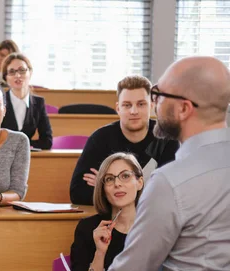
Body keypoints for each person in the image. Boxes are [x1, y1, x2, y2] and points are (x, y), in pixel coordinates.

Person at [74, 56, 230, 271]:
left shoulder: (171, 181)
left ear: (185, 108)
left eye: (158, 95)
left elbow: (134, 269)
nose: (154, 103)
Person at [69, 75, 178, 205]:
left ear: (151, 105)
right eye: (127, 105)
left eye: (141, 104)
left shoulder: (167, 138)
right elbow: (78, 193)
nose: (134, 111)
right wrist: (143, 189)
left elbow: (170, 192)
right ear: (118, 108)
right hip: (112, 220)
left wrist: (106, 186)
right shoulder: (100, 139)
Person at [71, 152, 151, 271]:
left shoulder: (158, 226)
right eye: (109, 179)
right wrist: (100, 253)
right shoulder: (88, 228)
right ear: (103, 189)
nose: (117, 184)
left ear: (139, 182)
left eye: (125, 176)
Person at [0, 53, 53, 149]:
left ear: (30, 73)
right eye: (12, 72)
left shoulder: (38, 103)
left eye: (22, 70)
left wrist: (23, 146)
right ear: (6, 78)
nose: (18, 75)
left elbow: (47, 141)